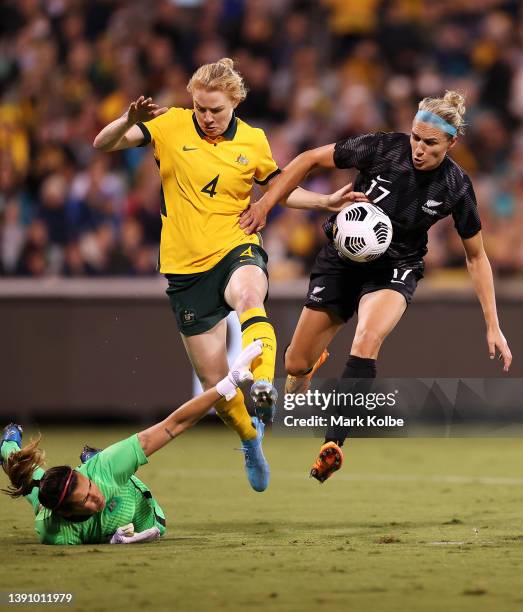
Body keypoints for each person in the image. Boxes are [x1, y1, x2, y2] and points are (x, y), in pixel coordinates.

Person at [93, 58, 365, 492]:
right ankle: (250, 439)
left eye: (215, 110)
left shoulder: (254, 141)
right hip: (185, 269)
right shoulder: (169, 124)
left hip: (235, 245)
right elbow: (102, 144)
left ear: (235, 101)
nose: (207, 117)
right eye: (200, 108)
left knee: (250, 297)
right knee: (215, 383)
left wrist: (323, 201)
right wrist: (129, 118)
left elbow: (279, 187)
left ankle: (263, 384)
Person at [240, 91, 513, 483]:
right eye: (416, 138)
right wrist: (266, 205)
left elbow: (476, 257)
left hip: (395, 269)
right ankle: (312, 362)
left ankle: (332, 443)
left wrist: (493, 325)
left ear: (452, 143)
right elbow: (307, 159)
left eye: (430, 143)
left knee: (367, 338)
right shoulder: (382, 146)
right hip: (341, 260)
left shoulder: (456, 185)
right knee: (295, 366)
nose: (418, 149)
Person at [1, 341, 263, 544]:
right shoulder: (53, 531)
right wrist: (108, 540)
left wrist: (228, 383)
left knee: (32, 464)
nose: (97, 498)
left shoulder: (105, 471)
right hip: (70, 503)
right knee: (27, 478)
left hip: (140, 507)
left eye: (90, 488)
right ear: (67, 514)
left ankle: (23, 447)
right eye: (86, 502)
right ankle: (10, 446)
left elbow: (173, 425)